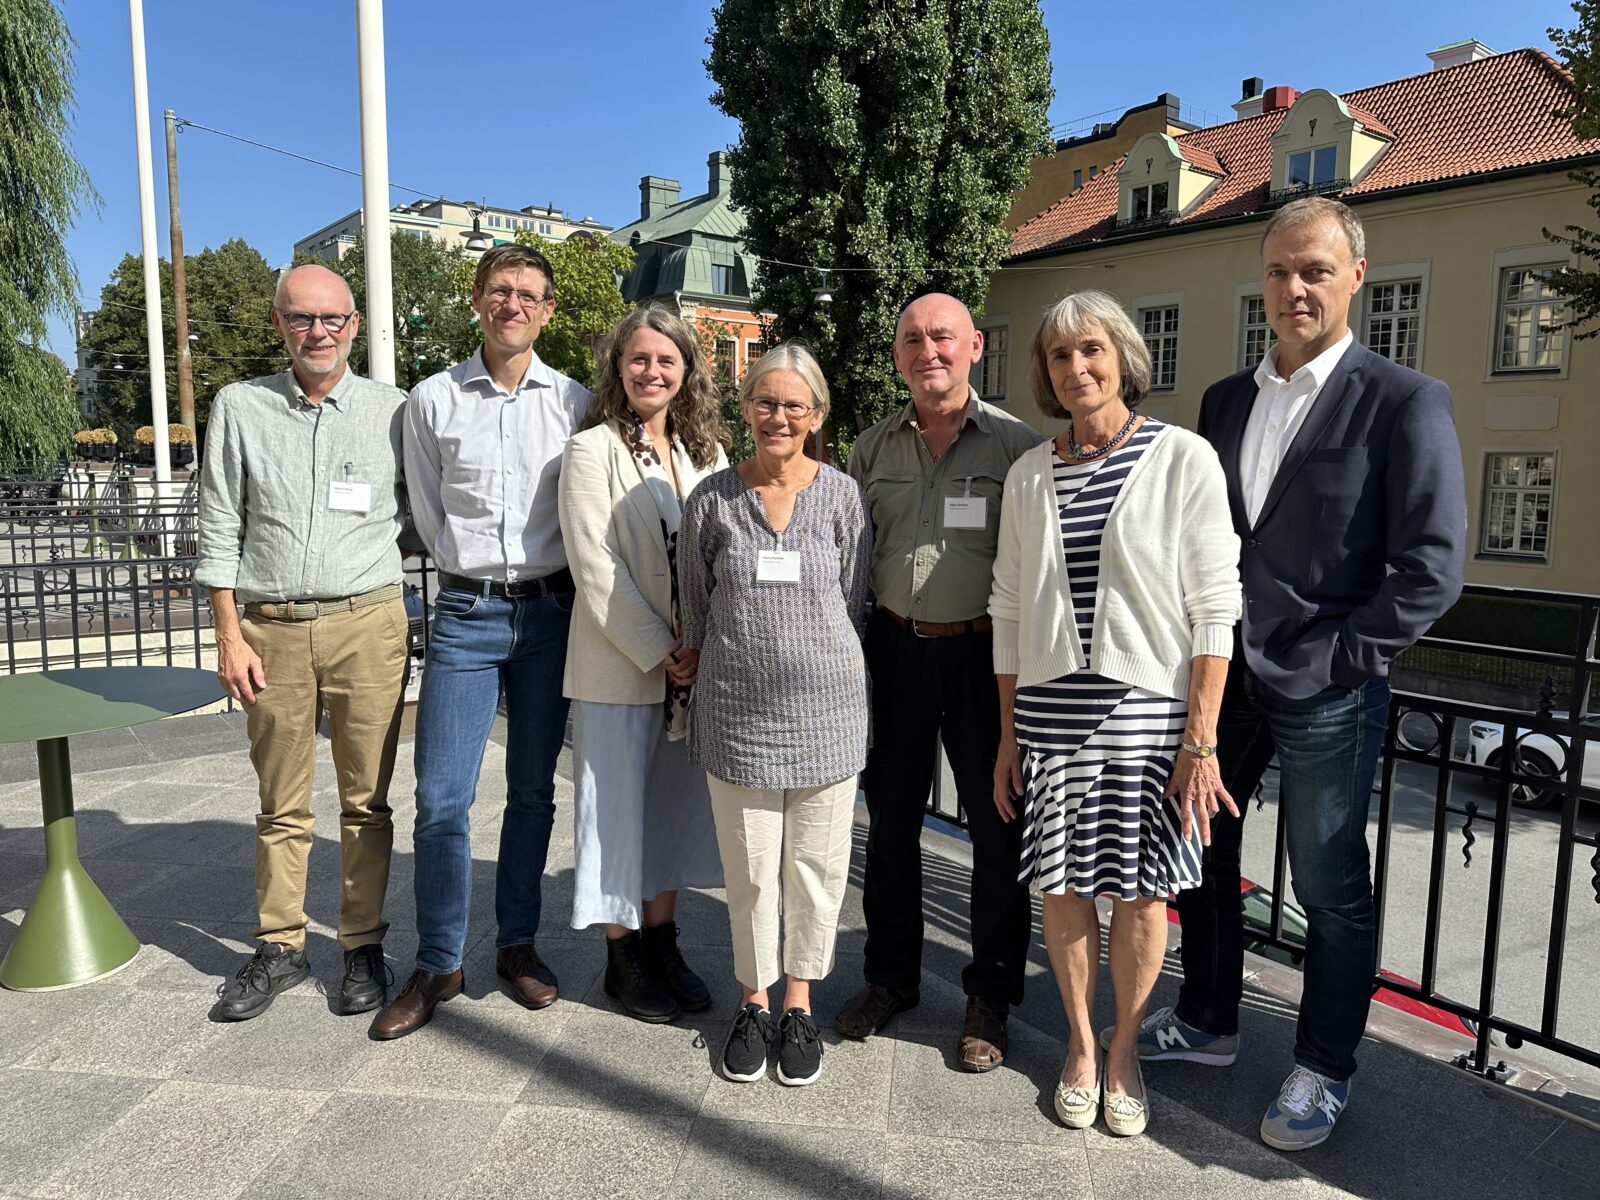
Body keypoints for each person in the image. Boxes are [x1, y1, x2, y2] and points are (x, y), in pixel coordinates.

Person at [1113, 196, 1466, 1151]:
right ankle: (1212, 1021)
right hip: (1225, 676)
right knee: (1203, 856)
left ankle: (1323, 1067)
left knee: (1328, 885)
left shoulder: (1403, 399)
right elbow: (1204, 539)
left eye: (1313, 269)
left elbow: (1432, 566)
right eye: (1277, 272)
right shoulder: (1226, 400)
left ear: (1356, 275)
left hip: (1327, 686)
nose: (1294, 288)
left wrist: (1342, 660)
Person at [990, 291, 1241, 1137]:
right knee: (1061, 888)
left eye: (1091, 350)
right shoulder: (1030, 471)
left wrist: (1200, 740)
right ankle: (1079, 1046)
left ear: (1123, 357)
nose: (1077, 369)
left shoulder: (1184, 458)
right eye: (1060, 357)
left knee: (1139, 897)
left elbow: (1215, 608)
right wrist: (1005, 733)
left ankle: (1126, 1046)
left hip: (1148, 712)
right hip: (1051, 711)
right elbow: (1009, 612)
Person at [372, 244, 592, 1040]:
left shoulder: (575, 401)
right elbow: (427, 514)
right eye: (500, 291)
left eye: (529, 295)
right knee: (442, 800)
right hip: (466, 615)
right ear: (477, 300)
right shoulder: (432, 401)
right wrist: (471, 576)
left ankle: (518, 946)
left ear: (548, 311)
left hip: (549, 614)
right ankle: (438, 961)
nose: (514, 306)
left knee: (535, 792)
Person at [196, 263, 410, 1021]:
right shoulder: (240, 408)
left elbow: (426, 515)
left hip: (368, 622)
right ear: (279, 324)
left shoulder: (396, 412)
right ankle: (281, 946)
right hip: (270, 630)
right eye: (301, 319)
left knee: (367, 802)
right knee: (280, 804)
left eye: (331, 319)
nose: (317, 332)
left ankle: (361, 945)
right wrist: (228, 633)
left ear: (354, 325)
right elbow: (220, 522)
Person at [837, 293, 1044, 1071]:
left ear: (975, 348)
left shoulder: (1018, 451)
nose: (929, 350)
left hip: (983, 659)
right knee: (888, 826)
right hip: (893, 651)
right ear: (898, 357)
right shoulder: (870, 450)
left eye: (943, 337)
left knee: (998, 831)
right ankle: (890, 979)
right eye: (914, 339)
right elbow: (853, 563)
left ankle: (990, 996)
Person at [678, 342, 872, 1087]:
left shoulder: (842, 496)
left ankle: (799, 1001)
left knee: (817, 870)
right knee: (753, 871)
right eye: (766, 402)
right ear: (746, 409)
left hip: (828, 719)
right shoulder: (712, 499)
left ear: (816, 415)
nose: (779, 417)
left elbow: (850, 603)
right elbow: (696, 605)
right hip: (736, 717)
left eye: (795, 405)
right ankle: (753, 1000)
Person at [558, 303, 727, 1023]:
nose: (651, 371)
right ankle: (622, 957)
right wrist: (662, 651)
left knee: (671, 812)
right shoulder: (589, 450)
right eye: (639, 359)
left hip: (694, 669)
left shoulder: (708, 454)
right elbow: (594, 567)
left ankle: (664, 940)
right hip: (621, 667)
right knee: (616, 813)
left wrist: (702, 651)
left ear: (686, 370)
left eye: (666, 359)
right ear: (618, 368)